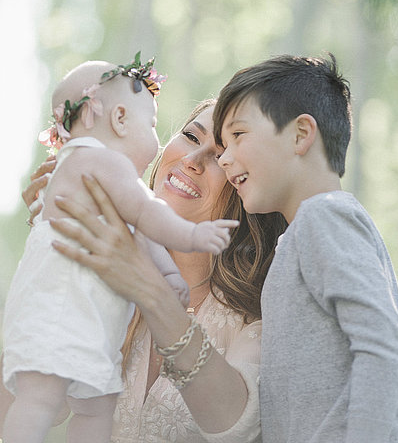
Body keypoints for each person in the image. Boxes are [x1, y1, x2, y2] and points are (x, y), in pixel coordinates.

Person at [5, 98, 288, 442]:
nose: (192, 161)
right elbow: (21, 401)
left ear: (244, 186)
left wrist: (148, 288)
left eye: (219, 155)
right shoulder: (101, 283)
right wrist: (51, 255)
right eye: (191, 136)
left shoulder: (256, 319)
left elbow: (235, 424)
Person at [212, 53, 398, 443]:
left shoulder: (325, 217)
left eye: (238, 135)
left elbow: (382, 347)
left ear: (301, 134)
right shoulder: (303, 233)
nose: (225, 159)